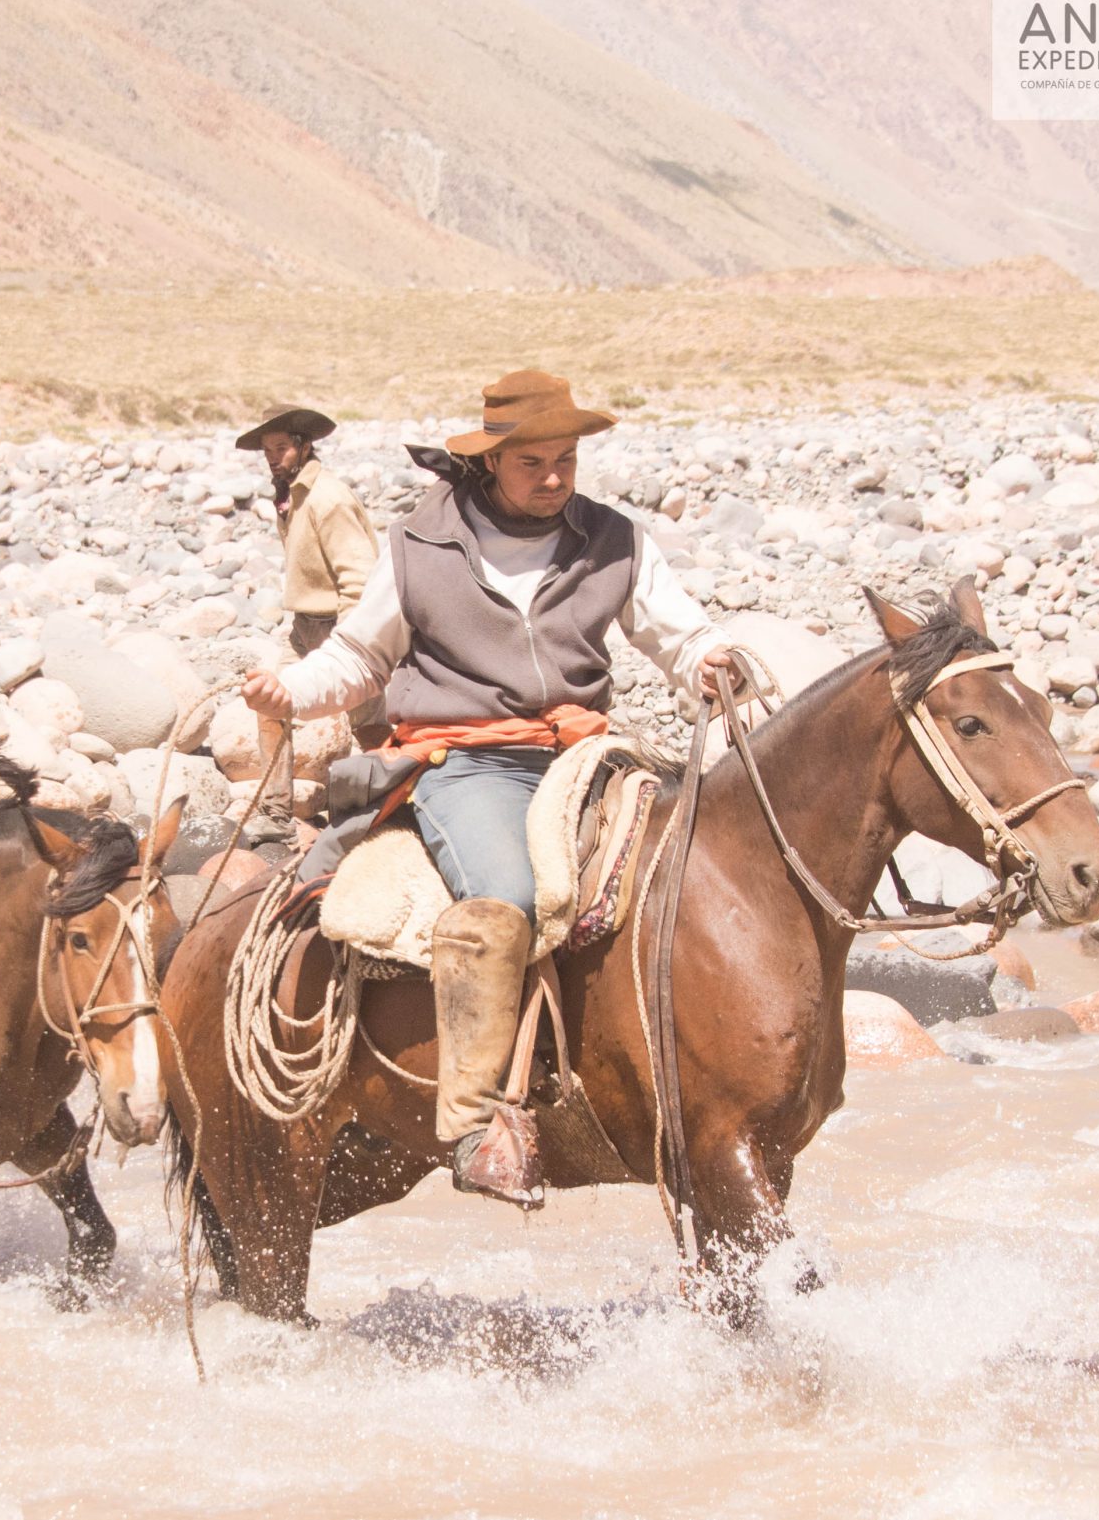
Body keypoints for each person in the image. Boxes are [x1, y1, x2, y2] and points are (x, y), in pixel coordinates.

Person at [243, 369, 739, 1208]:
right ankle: (474, 1119)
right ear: (488, 462)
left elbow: (676, 632)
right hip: (468, 760)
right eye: (533, 463)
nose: (553, 479)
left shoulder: (613, 538)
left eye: (567, 461)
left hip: (587, 748)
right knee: (506, 894)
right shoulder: (418, 547)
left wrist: (710, 661)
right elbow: (361, 657)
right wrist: (291, 689)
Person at [238, 404, 386, 749]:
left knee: (367, 725)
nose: (273, 458)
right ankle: (276, 803)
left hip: (338, 625)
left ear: (304, 447)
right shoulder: (292, 495)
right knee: (271, 705)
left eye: (281, 448)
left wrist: (353, 641)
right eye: (267, 451)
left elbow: (359, 578)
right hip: (304, 626)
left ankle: (399, 800)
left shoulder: (328, 498)